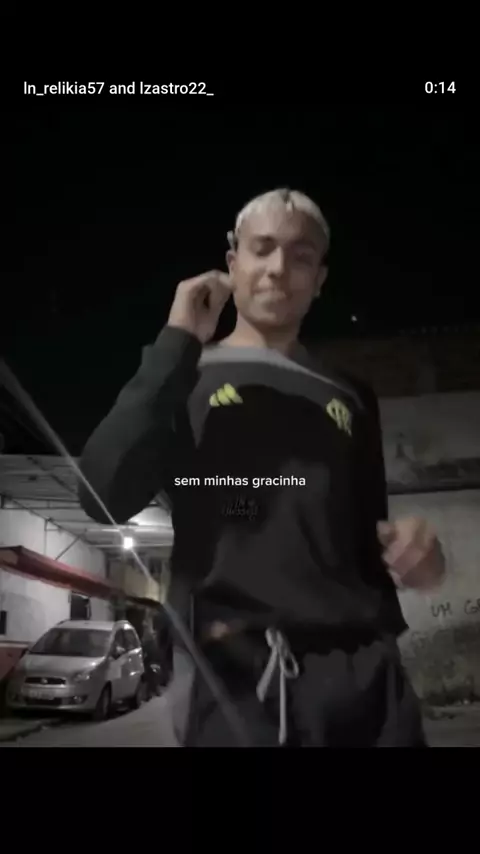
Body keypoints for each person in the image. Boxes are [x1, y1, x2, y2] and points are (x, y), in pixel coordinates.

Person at [79, 188, 445, 747]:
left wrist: (419, 552)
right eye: (262, 248)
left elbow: (369, 540)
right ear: (233, 262)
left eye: (301, 256)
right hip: (237, 681)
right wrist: (177, 340)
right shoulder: (183, 376)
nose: (278, 268)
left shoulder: (351, 396)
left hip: (369, 679)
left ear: (319, 279)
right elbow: (102, 493)